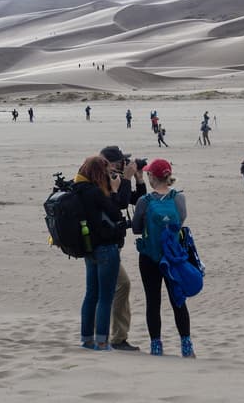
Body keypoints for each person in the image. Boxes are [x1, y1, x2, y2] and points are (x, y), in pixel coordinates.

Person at [132, 159, 195, 358]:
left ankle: (156, 346)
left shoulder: (145, 201)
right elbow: (181, 220)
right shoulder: (179, 198)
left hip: (150, 257)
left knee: (153, 301)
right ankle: (186, 346)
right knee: (178, 300)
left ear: (152, 177)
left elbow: (136, 228)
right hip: (173, 256)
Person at [74, 155, 128, 351]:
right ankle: (102, 341)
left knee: (91, 294)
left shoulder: (77, 189)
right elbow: (115, 212)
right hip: (106, 247)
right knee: (106, 297)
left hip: (89, 249)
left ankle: (87, 339)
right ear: (98, 173)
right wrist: (114, 190)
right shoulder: (95, 193)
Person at [100, 146, 147, 351]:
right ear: (110, 163)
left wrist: (138, 178)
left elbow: (137, 200)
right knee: (122, 285)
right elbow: (118, 204)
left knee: (102, 291)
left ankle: (97, 336)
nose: (124, 165)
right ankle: (118, 338)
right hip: (104, 246)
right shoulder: (103, 180)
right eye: (121, 162)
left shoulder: (113, 179)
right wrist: (126, 179)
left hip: (108, 244)